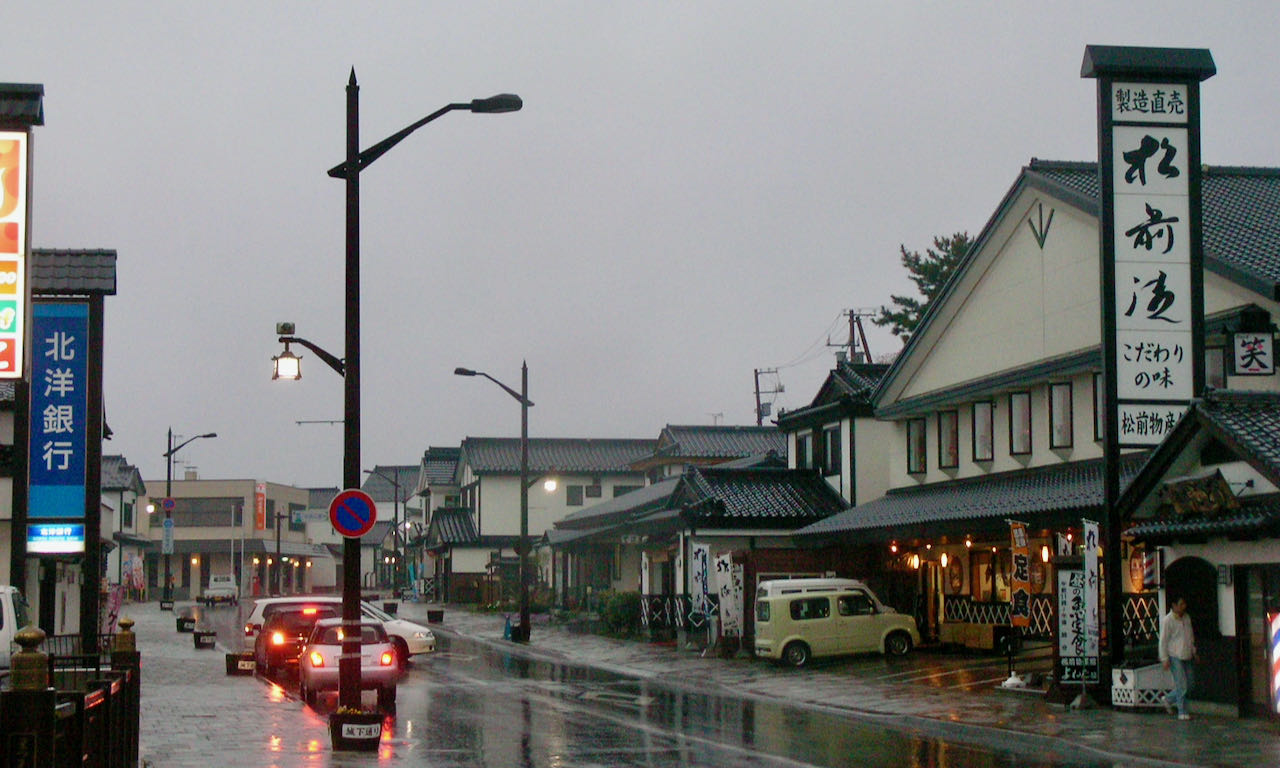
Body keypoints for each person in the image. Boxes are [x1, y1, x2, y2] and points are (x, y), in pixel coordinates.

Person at [1159, 596, 1197, 720]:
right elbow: (1163, 641)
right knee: (1182, 684)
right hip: (1174, 655)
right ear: (1174, 606)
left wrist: (1193, 651)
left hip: (1187, 654)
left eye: (1184, 604)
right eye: (1180, 604)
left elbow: (1190, 636)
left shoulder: (1186, 618)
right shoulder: (1168, 620)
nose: (1183, 607)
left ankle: (1168, 699)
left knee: (1190, 684)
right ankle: (1182, 711)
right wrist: (1164, 658)